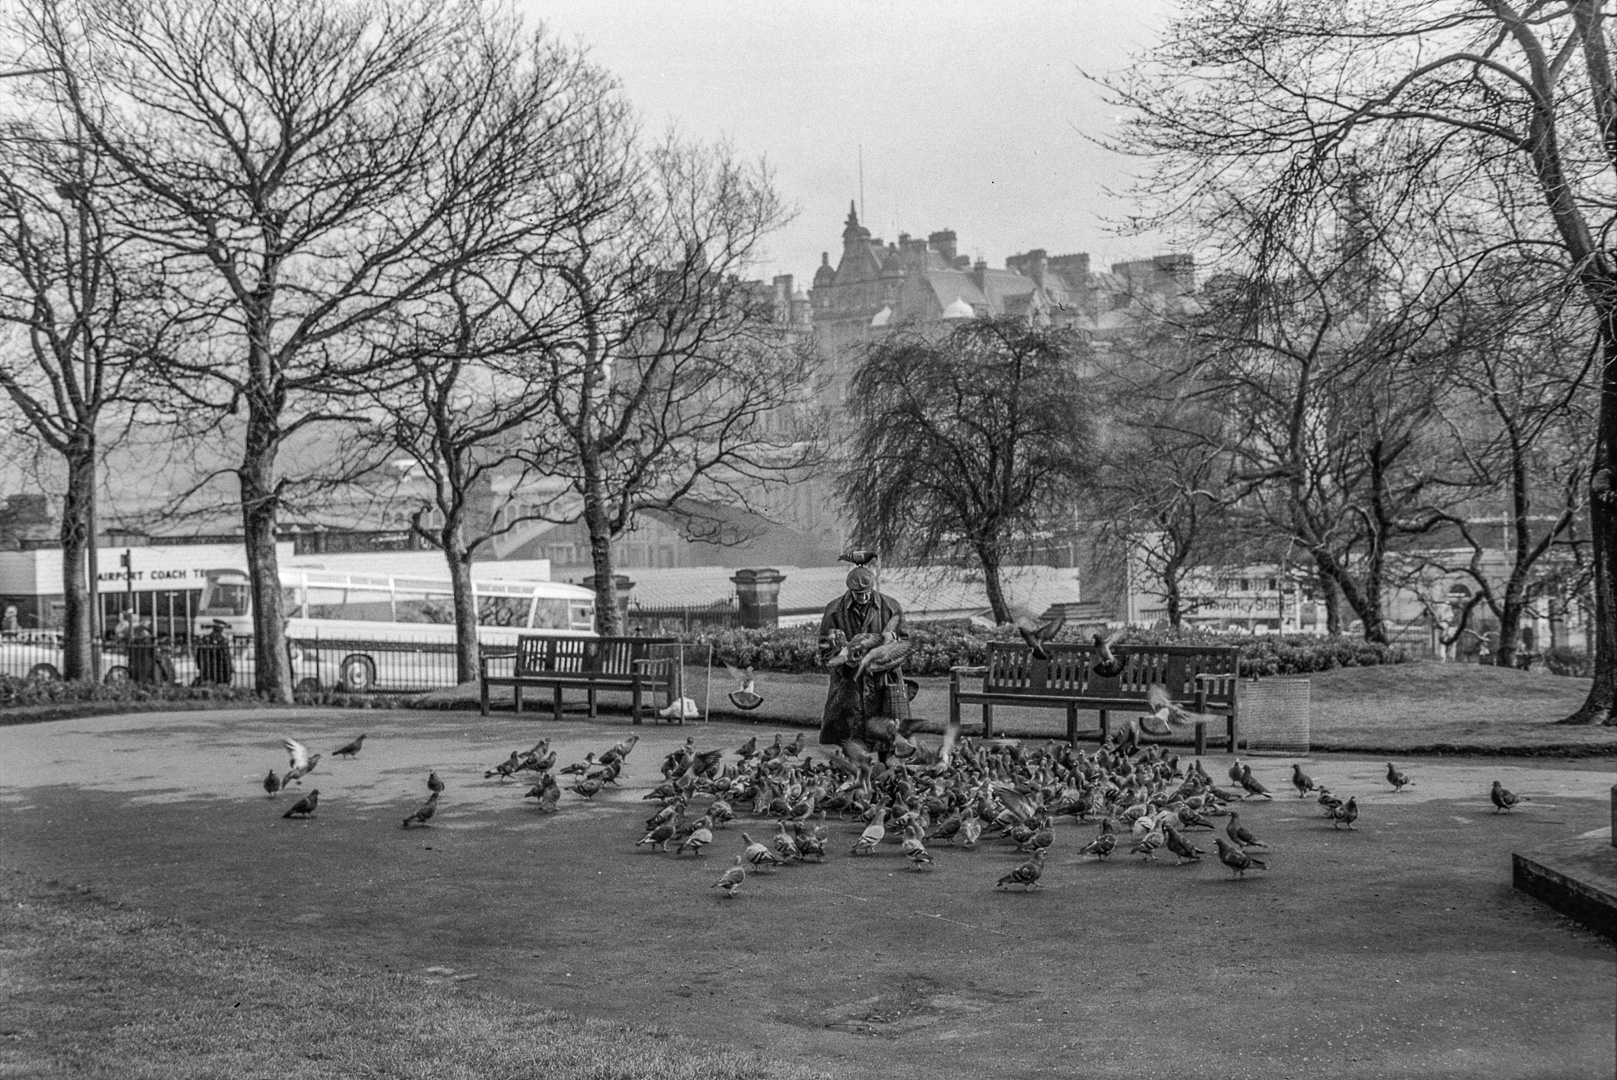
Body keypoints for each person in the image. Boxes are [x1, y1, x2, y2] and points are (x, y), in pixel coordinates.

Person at [817, 564, 909, 750]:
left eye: (867, 592)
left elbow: (905, 644)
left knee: (887, 734)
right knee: (850, 736)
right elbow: (824, 648)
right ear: (850, 590)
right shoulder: (834, 610)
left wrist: (881, 662)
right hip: (849, 682)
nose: (864, 597)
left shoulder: (891, 607)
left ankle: (888, 764)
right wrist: (845, 660)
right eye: (858, 594)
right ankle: (852, 768)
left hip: (883, 680)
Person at [195, 620, 234, 686]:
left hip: (208, 669)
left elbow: (199, 655)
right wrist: (229, 669)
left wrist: (200, 666)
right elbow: (225, 657)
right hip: (219, 670)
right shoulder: (223, 640)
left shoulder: (205, 638)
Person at [127, 620, 158, 684]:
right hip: (145, 666)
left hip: (139, 666)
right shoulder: (148, 641)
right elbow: (156, 655)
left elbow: (130, 656)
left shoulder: (135, 642)